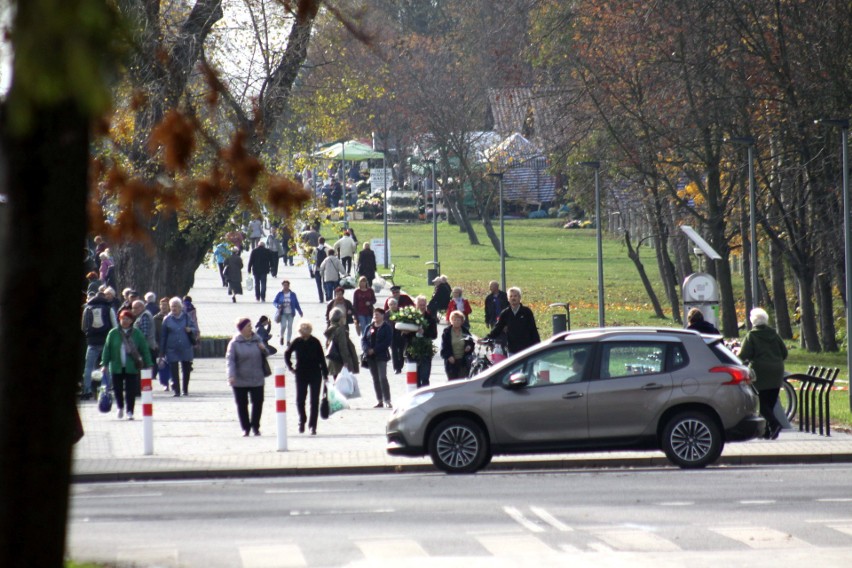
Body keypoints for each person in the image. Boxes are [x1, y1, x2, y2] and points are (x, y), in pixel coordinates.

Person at [738, 307, 788, 440]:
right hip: (777, 371)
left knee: (761, 403)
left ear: (752, 321)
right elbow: (784, 352)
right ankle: (766, 432)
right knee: (770, 401)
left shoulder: (752, 336)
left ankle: (774, 424)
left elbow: (743, 355)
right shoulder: (774, 334)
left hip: (760, 372)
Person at [100, 309, 153, 420]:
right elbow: (107, 349)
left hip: (131, 366)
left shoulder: (137, 333)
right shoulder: (113, 333)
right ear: (119, 319)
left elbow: (144, 349)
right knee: (117, 389)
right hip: (116, 366)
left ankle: (130, 411)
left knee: (130, 391)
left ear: (131, 321)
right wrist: (104, 364)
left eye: (127, 319)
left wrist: (149, 363)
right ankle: (120, 407)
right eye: (123, 318)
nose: (124, 321)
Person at [226, 317, 268, 436]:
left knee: (258, 402)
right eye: (248, 326)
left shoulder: (257, 339)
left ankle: (255, 426)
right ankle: (246, 428)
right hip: (240, 379)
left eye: (251, 325)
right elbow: (230, 361)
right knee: (242, 404)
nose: (251, 328)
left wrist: (263, 349)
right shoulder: (234, 343)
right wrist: (231, 375)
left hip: (257, 378)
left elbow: (267, 353)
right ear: (241, 329)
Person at [285, 321, 328, 435]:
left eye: (306, 331)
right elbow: (287, 353)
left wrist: (325, 375)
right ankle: (302, 419)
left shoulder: (315, 342)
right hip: (301, 373)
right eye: (302, 332)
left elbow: (322, 359)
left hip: (315, 374)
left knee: (314, 401)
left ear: (309, 331)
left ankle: (312, 426)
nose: (304, 334)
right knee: (300, 400)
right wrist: (290, 367)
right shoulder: (297, 342)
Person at [81, 289, 117, 399]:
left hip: (91, 342)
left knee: (88, 367)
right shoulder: (108, 308)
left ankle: (86, 390)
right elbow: (115, 326)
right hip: (106, 342)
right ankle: (105, 389)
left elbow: (83, 327)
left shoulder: (87, 309)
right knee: (106, 366)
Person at [483, 286, 540, 356]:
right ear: (508, 299)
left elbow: (533, 329)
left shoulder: (526, 312)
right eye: (511, 296)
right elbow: (497, 329)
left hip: (526, 349)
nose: (513, 298)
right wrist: (486, 338)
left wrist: (538, 346)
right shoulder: (505, 313)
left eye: (515, 296)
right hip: (512, 349)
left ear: (519, 297)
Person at [161, 296, 198, 396]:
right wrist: (162, 351)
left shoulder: (186, 317)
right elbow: (163, 335)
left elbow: (195, 329)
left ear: (180, 307)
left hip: (186, 347)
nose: (174, 308)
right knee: (174, 370)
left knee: (186, 369)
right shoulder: (167, 319)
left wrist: (190, 330)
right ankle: (177, 391)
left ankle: (185, 389)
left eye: (176, 306)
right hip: (172, 348)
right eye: (172, 306)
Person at [362, 308, 393, 408]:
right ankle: (379, 400)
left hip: (381, 356)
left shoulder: (386, 327)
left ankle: (387, 400)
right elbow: (363, 340)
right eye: (374, 315)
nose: (375, 316)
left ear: (383, 316)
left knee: (382, 377)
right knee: (375, 378)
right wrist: (367, 349)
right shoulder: (369, 327)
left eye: (378, 315)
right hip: (370, 357)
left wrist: (375, 350)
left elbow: (387, 341)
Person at [323, 308, 359, 381]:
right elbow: (343, 347)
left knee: (337, 383)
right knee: (344, 387)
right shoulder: (340, 330)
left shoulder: (331, 329)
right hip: (341, 363)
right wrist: (346, 362)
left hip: (333, 361)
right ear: (340, 318)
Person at [410, 295, 438, 387]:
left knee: (425, 377)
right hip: (412, 350)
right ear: (415, 305)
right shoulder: (410, 318)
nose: (422, 307)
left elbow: (434, 335)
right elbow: (403, 335)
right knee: (415, 379)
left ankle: (426, 397)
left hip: (426, 350)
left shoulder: (430, 318)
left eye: (424, 305)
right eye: (420, 305)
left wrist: (424, 332)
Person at [441, 310, 475, 380]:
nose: (457, 321)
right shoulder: (447, 332)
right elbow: (444, 347)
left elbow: (471, 342)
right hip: (451, 362)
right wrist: (449, 356)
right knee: (452, 382)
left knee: (461, 382)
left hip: (463, 361)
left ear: (462, 321)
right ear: (451, 320)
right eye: (455, 320)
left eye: (459, 320)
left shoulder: (465, 331)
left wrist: (469, 346)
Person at [272, 280, 303, 346]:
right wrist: (278, 305)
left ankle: (288, 340)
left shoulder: (292, 294)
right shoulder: (280, 294)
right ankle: (282, 337)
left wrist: (300, 311)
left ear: (289, 286)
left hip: (291, 313)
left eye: (287, 285)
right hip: (283, 313)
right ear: (282, 286)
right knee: (283, 326)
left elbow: (296, 304)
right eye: (284, 285)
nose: (285, 287)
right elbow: (274, 302)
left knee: (289, 326)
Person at [152, 297, 172, 391]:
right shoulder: (155, 318)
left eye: (165, 305)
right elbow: (153, 332)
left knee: (172, 364)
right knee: (162, 366)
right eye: (162, 305)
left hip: (172, 345)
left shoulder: (172, 317)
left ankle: (173, 381)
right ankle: (165, 383)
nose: (163, 307)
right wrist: (154, 342)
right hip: (160, 345)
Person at [386, 297, 405, 374]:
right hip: (392, 335)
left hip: (401, 334)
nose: (393, 306)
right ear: (389, 306)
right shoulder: (386, 314)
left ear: (397, 304)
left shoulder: (401, 312)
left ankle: (400, 365)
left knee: (401, 351)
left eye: (394, 304)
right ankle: (396, 368)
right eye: (391, 304)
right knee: (394, 351)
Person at [312, 237, 330, 302]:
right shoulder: (326, 249)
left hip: (317, 268)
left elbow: (313, 259)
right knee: (325, 283)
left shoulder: (315, 250)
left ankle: (321, 298)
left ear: (318, 241)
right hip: (325, 269)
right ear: (324, 242)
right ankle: (327, 296)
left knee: (318, 284)